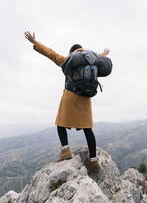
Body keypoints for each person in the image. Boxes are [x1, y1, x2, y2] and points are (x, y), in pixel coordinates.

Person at [24, 31, 110, 173]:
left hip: (70, 96)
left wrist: (35, 43)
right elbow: (100, 57)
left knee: (61, 123)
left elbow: (50, 53)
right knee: (88, 129)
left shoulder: (68, 60)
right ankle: (93, 161)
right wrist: (104, 53)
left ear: (72, 52)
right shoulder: (93, 59)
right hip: (85, 97)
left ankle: (66, 151)